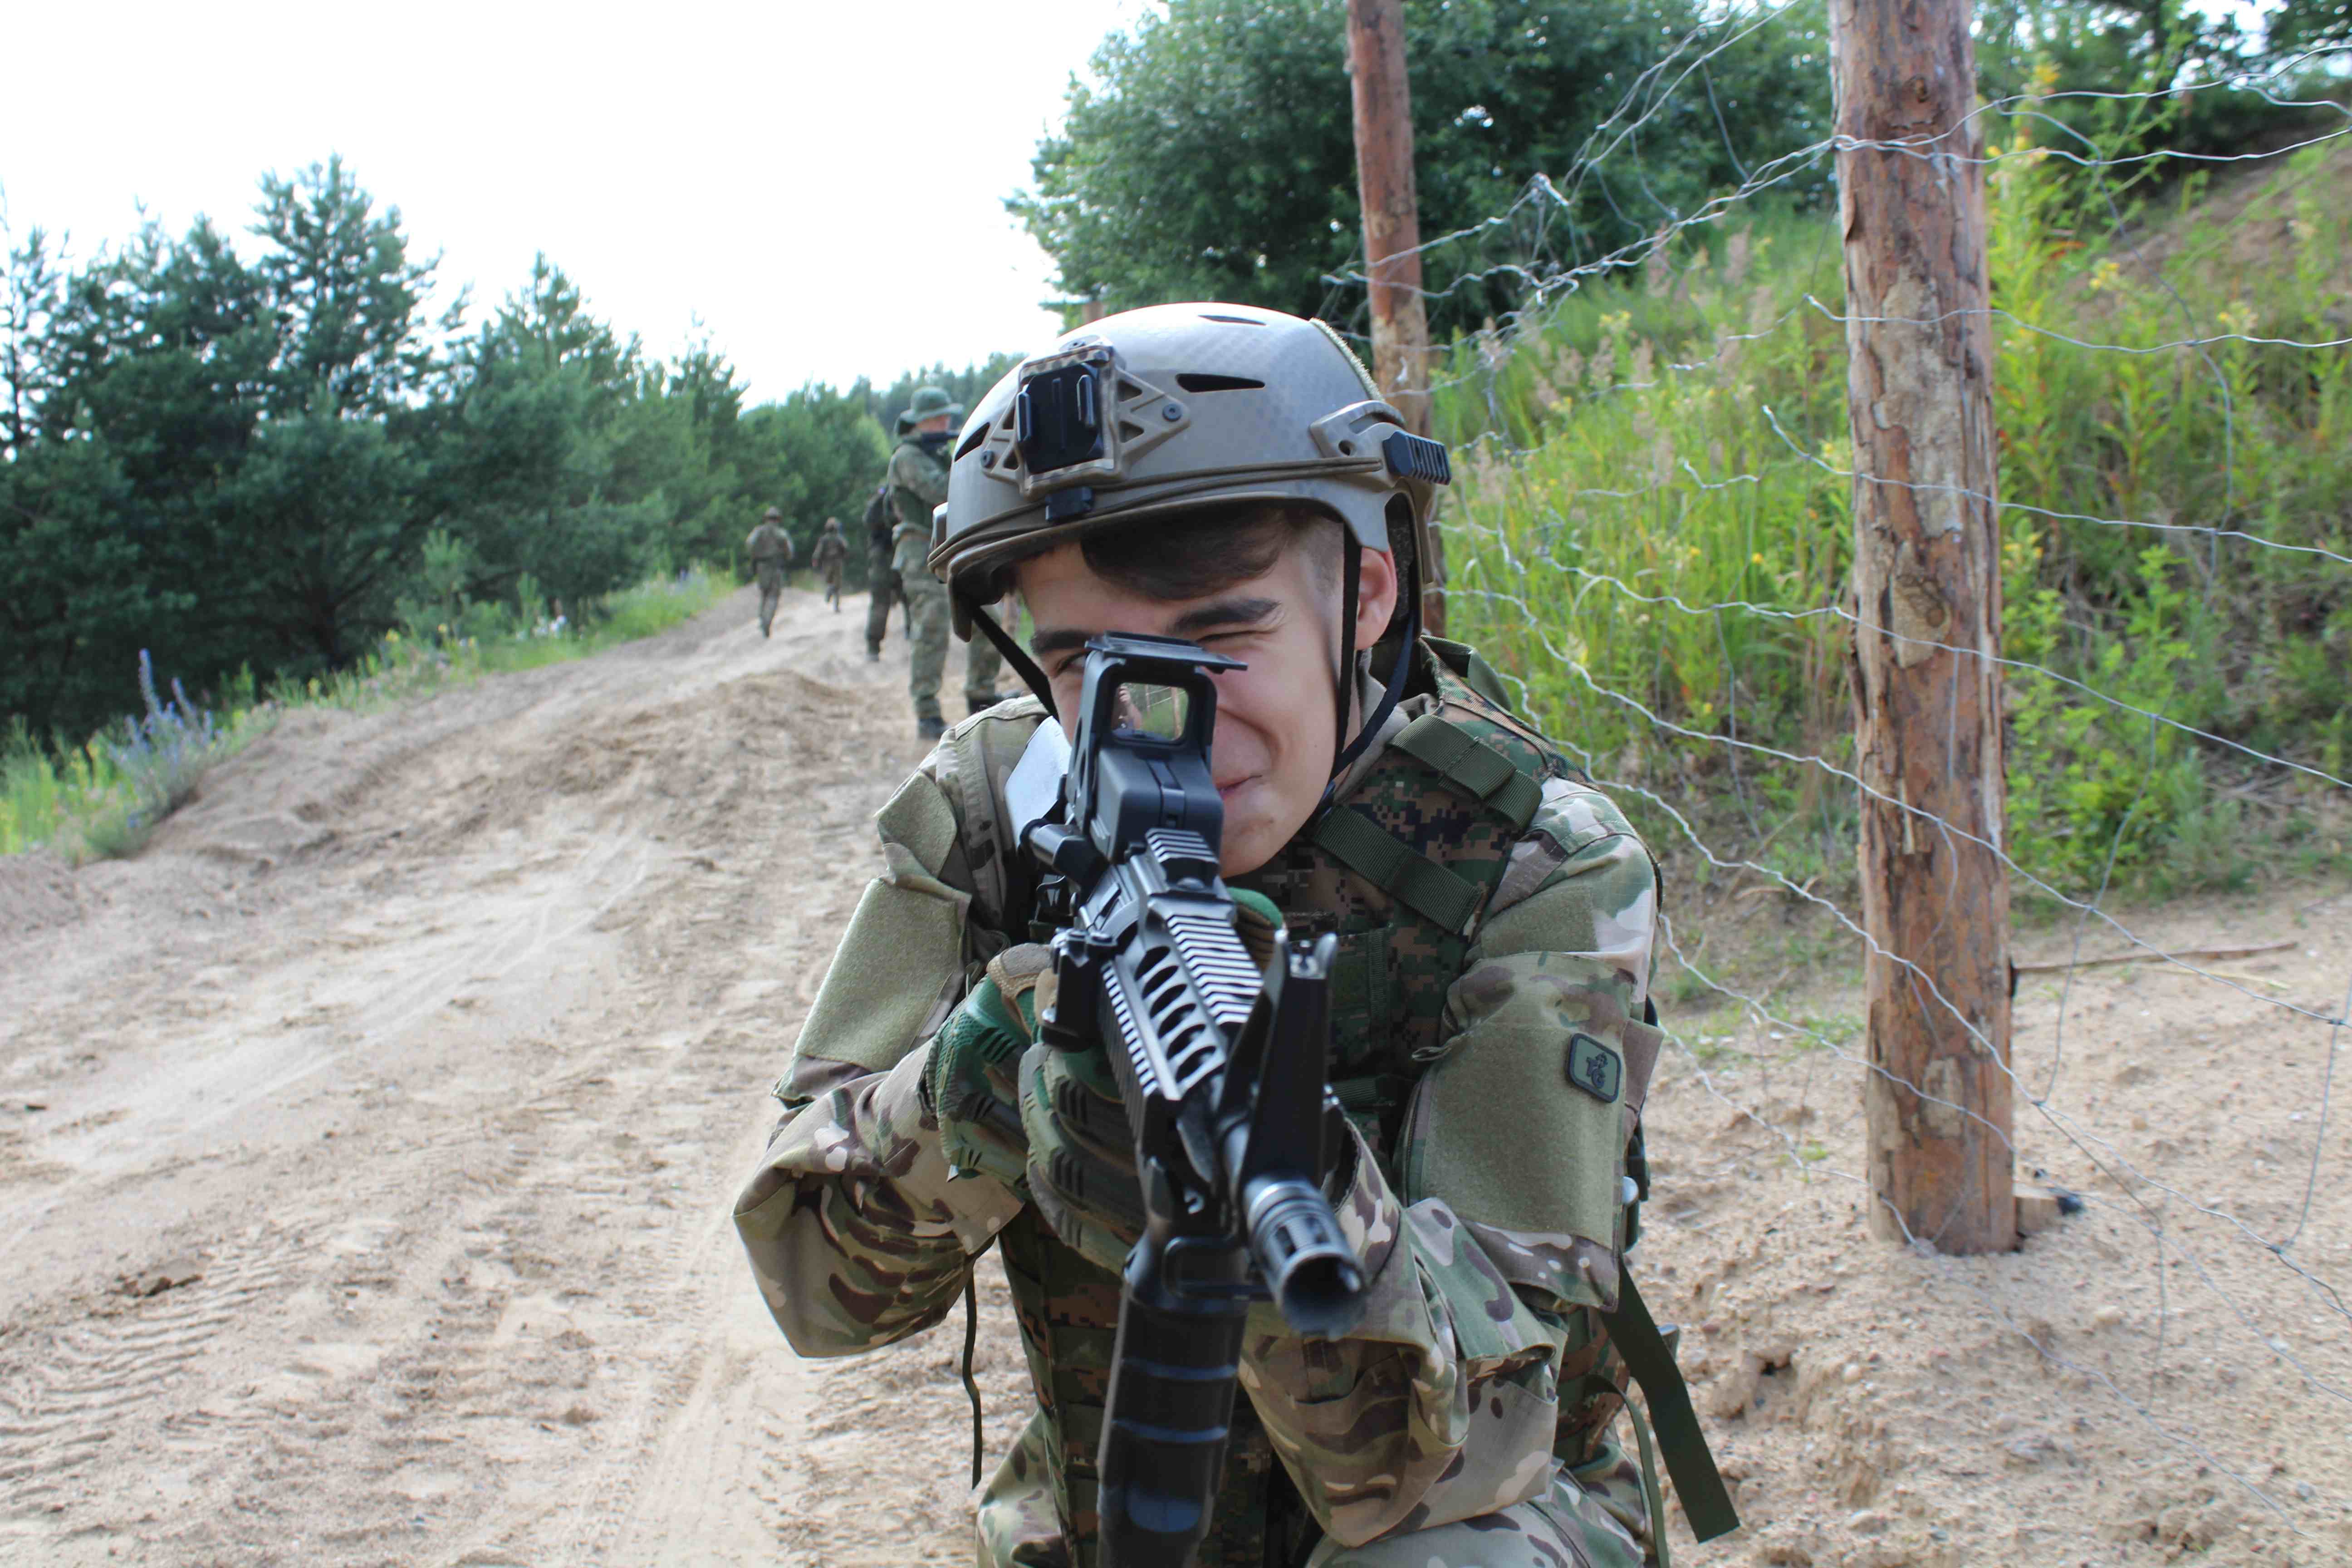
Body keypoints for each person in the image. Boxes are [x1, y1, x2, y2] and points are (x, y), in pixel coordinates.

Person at [735, 305, 1724, 1567]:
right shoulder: (996, 810)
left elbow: (1479, 1445)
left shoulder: (1528, 863)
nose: (1170, 723)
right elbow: (814, 1290)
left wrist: (1281, 1200)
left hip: (1471, 1509)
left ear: (1367, 591)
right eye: (1085, 660)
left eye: (1218, 638)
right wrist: (980, 1092)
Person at [886, 385, 1004, 738]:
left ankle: (981, 695)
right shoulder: (907, 457)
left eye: (946, 417)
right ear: (920, 422)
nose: (945, 423)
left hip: (950, 548)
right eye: (938, 418)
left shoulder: (936, 453)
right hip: (920, 551)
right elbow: (941, 490)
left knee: (989, 619)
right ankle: (927, 712)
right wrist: (974, 457)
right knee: (932, 629)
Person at [862, 482, 902, 659]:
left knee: (880, 601)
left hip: (882, 555)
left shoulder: (879, 500)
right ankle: (912, 635)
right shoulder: (902, 494)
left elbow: (867, 521)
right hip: (900, 551)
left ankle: (873, 648)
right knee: (911, 598)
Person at [745, 506, 797, 637]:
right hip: (775, 566)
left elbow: (749, 543)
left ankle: (762, 618)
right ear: (778, 519)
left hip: (761, 567)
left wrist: (756, 555)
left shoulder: (758, 531)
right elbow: (789, 550)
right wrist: (788, 558)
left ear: (766, 518)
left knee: (765, 593)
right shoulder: (781, 533)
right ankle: (767, 620)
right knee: (774, 595)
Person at [812, 516, 849, 612]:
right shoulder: (839, 538)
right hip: (837, 563)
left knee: (830, 582)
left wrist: (816, 561)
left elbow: (818, 552)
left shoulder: (824, 539)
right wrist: (845, 556)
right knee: (837, 585)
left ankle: (829, 592)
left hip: (827, 563)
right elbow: (845, 548)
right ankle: (836, 606)